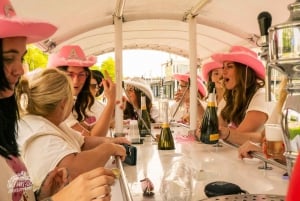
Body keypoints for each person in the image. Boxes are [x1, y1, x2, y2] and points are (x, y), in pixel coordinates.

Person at [0, 0, 118, 200]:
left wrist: (42, 194)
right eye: (9, 58)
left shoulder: (7, 127)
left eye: (21, 58)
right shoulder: (36, 128)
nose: (20, 70)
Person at [16, 68, 127, 192]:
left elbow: (83, 142)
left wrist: (112, 141)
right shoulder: (38, 133)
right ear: (64, 103)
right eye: (72, 100)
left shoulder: (51, 122)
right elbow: (73, 170)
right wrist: (109, 148)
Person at [211, 46, 276, 145]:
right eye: (223, 67)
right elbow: (214, 128)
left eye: (229, 66)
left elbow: (239, 135)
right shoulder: (233, 96)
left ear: (244, 71)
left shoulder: (263, 96)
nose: (223, 73)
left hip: (255, 159)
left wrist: (224, 132)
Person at [47, 45, 116, 136]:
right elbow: (93, 138)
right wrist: (111, 101)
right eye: (70, 74)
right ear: (59, 75)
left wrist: (113, 110)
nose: (76, 81)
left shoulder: (70, 101)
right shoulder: (57, 103)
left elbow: (88, 128)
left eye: (81, 75)